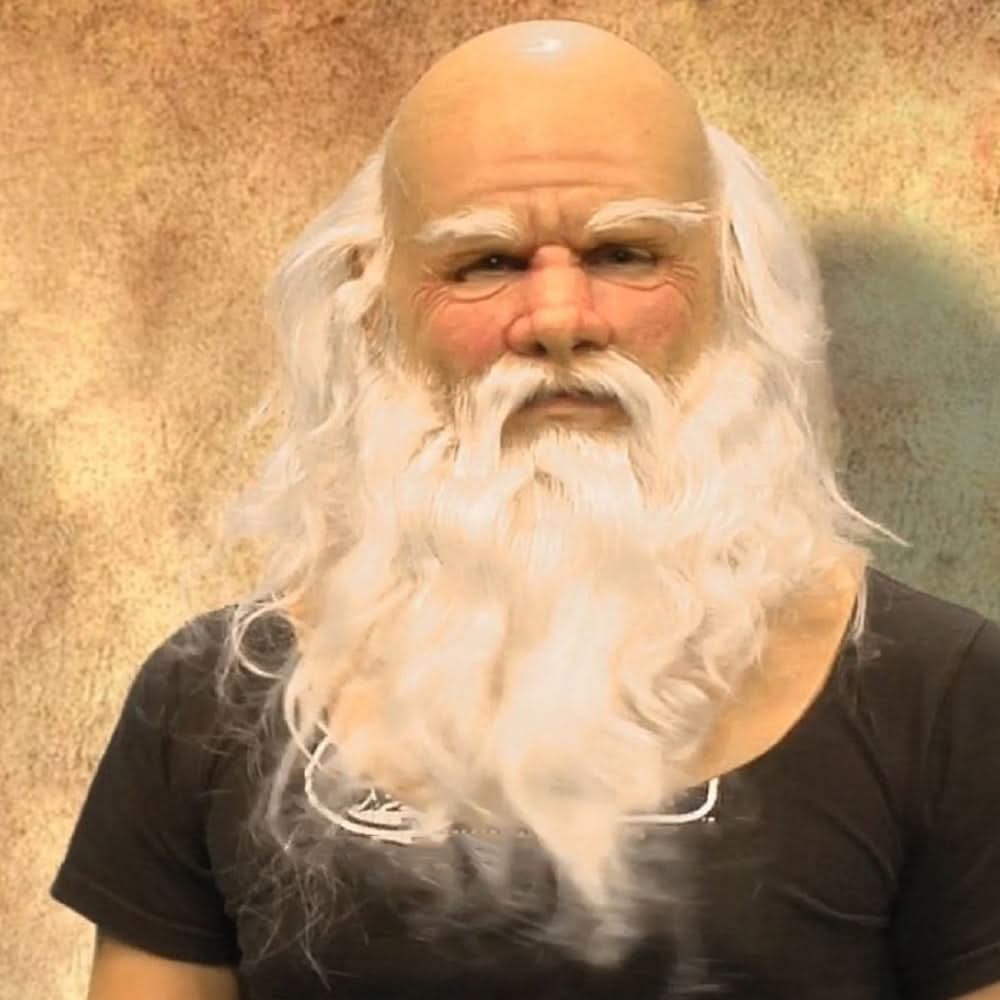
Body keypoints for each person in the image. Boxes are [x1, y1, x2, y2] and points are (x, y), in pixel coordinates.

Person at [51, 18, 1000, 1000]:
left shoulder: (941, 695)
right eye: (485, 262)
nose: (557, 321)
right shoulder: (208, 702)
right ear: (370, 301)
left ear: (731, 282)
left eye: (624, 252)